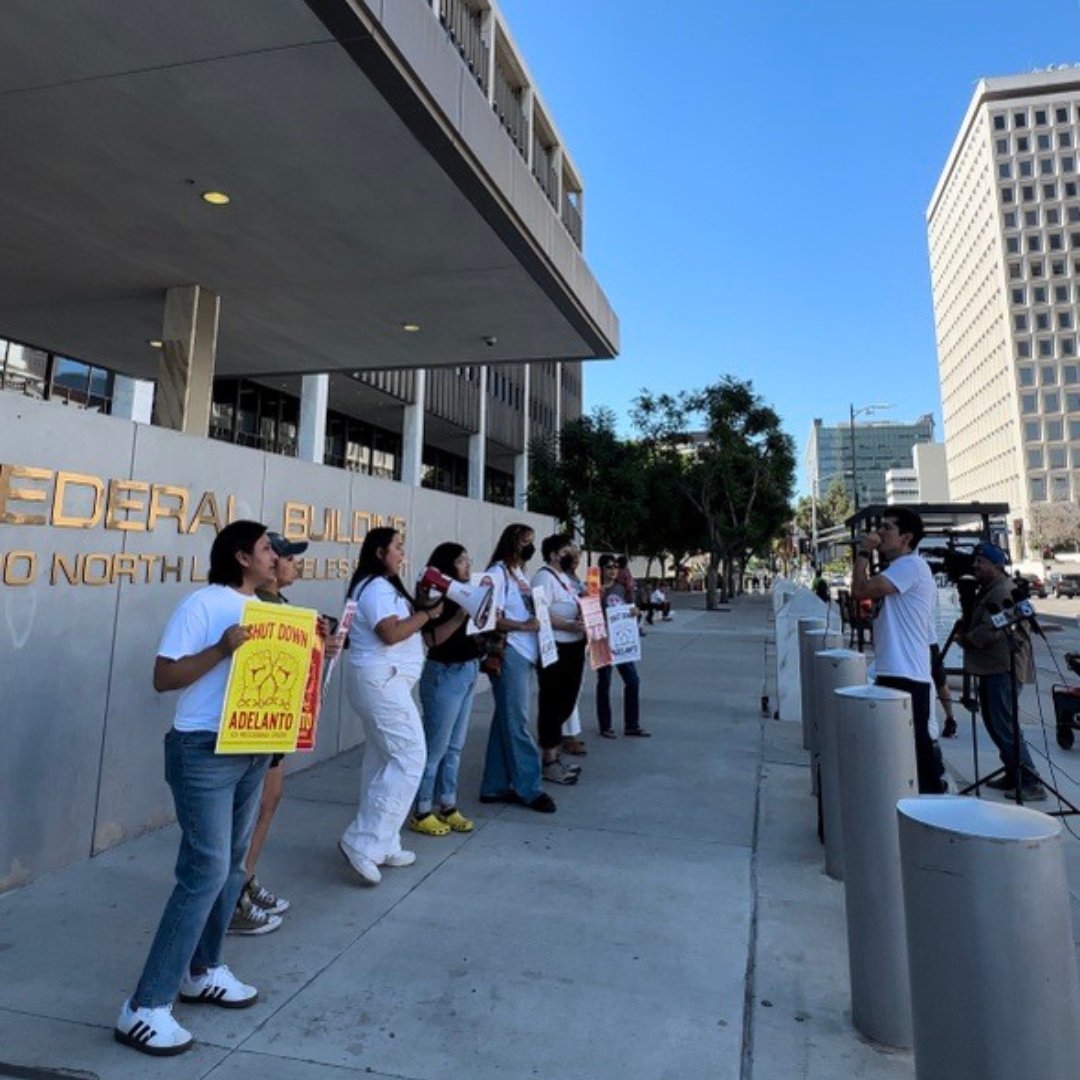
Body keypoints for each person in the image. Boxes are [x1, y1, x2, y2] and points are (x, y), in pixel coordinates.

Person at [115, 521, 279, 1057]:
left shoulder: (271, 610)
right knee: (204, 869)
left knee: (231, 864)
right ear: (240, 557)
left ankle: (203, 969)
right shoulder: (203, 605)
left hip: (251, 748)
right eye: (264, 549)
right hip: (203, 750)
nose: (274, 557)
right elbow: (164, 677)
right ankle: (144, 1006)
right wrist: (222, 649)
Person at [226, 531, 341, 935]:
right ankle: (233, 893)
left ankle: (245, 877)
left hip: (275, 722)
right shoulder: (257, 605)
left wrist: (321, 648)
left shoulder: (281, 605)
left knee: (268, 803)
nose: (293, 565)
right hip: (257, 725)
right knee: (257, 808)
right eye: (288, 557)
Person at [339, 527, 440, 886]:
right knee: (411, 757)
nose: (402, 554)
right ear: (380, 552)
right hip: (381, 683)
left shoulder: (381, 587)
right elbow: (391, 633)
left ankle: (384, 841)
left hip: (387, 682)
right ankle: (363, 841)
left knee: (383, 759)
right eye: (398, 547)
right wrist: (427, 615)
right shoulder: (376, 588)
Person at [851, 507, 946, 794]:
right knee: (899, 750)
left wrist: (864, 553)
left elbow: (860, 589)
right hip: (894, 670)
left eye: (887, 528)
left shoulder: (911, 567)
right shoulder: (899, 568)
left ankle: (933, 803)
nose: (879, 533)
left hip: (906, 674)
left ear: (906, 537)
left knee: (914, 751)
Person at [478, 524, 556, 813]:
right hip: (510, 653)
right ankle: (530, 788)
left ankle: (494, 785)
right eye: (526, 542)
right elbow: (488, 616)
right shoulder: (497, 574)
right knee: (518, 723)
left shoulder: (519, 574)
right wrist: (524, 625)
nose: (530, 547)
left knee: (506, 722)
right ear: (513, 543)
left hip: (525, 655)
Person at [960, 543, 1047, 801]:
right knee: (996, 724)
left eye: (981, 562)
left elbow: (990, 629)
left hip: (1003, 668)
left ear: (996, 566)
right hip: (993, 667)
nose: (975, 566)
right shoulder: (990, 589)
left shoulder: (1002, 591)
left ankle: (1030, 781)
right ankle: (1013, 772)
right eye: (975, 562)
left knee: (1005, 725)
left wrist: (969, 639)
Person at [409, 542, 482, 837]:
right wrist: (462, 614)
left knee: (455, 746)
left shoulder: (466, 593)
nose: (468, 566)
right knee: (435, 747)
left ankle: (448, 804)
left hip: (467, 668)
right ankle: (422, 808)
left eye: (468, 560)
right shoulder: (434, 595)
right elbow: (432, 639)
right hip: (444, 673)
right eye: (462, 561)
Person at [532, 533, 587, 785]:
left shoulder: (568, 578)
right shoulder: (544, 577)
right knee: (552, 701)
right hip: (556, 647)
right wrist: (569, 625)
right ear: (554, 554)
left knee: (567, 699)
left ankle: (554, 752)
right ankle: (549, 759)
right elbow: (541, 612)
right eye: (568, 549)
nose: (573, 554)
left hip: (574, 645)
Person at [596, 553, 650, 738]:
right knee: (604, 683)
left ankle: (632, 724)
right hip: (602, 641)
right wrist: (597, 593)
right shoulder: (594, 589)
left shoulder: (620, 588)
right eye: (609, 567)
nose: (613, 570)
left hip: (621, 641)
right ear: (601, 569)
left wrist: (634, 612)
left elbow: (628, 608)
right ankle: (605, 725)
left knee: (633, 681)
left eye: (615, 567)